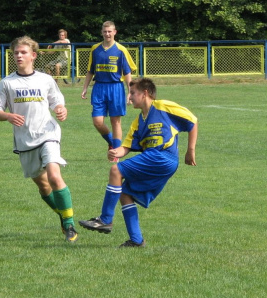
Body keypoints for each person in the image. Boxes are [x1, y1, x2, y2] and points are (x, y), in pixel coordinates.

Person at [79, 78, 198, 247]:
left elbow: (192, 121)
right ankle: (136, 240)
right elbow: (126, 147)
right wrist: (115, 151)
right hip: (157, 160)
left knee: (116, 171)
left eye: (133, 93)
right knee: (125, 193)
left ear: (145, 93)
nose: (130, 97)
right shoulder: (138, 121)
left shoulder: (163, 106)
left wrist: (190, 150)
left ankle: (105, 219)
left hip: (162, 157)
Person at [0, 36, 79, 243]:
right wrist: (8, 116)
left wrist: (61, 110)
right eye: (16, 53)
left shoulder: (45, 79)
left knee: (55, 176)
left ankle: (70, 225)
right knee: (44, 187)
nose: (19, 56)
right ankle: (64, 215)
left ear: (34, 55)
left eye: (23, 52)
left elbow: (57, 101)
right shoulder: (6, 83)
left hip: (48, 134)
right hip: (25, 140)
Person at [81, 21, 137, 162]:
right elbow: (90, 71)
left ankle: (116, 153)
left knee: (115, 122)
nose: (107, 34)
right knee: (97, 121)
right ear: (102, 32)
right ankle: (111, 142)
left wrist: (130, 91)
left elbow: (127, 72)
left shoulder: (121, 49)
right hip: (99, 87)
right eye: (105, 31)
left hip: (116, 88)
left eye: (110, 31)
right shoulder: (95, 49)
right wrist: (85, 87)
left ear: (115, 32)